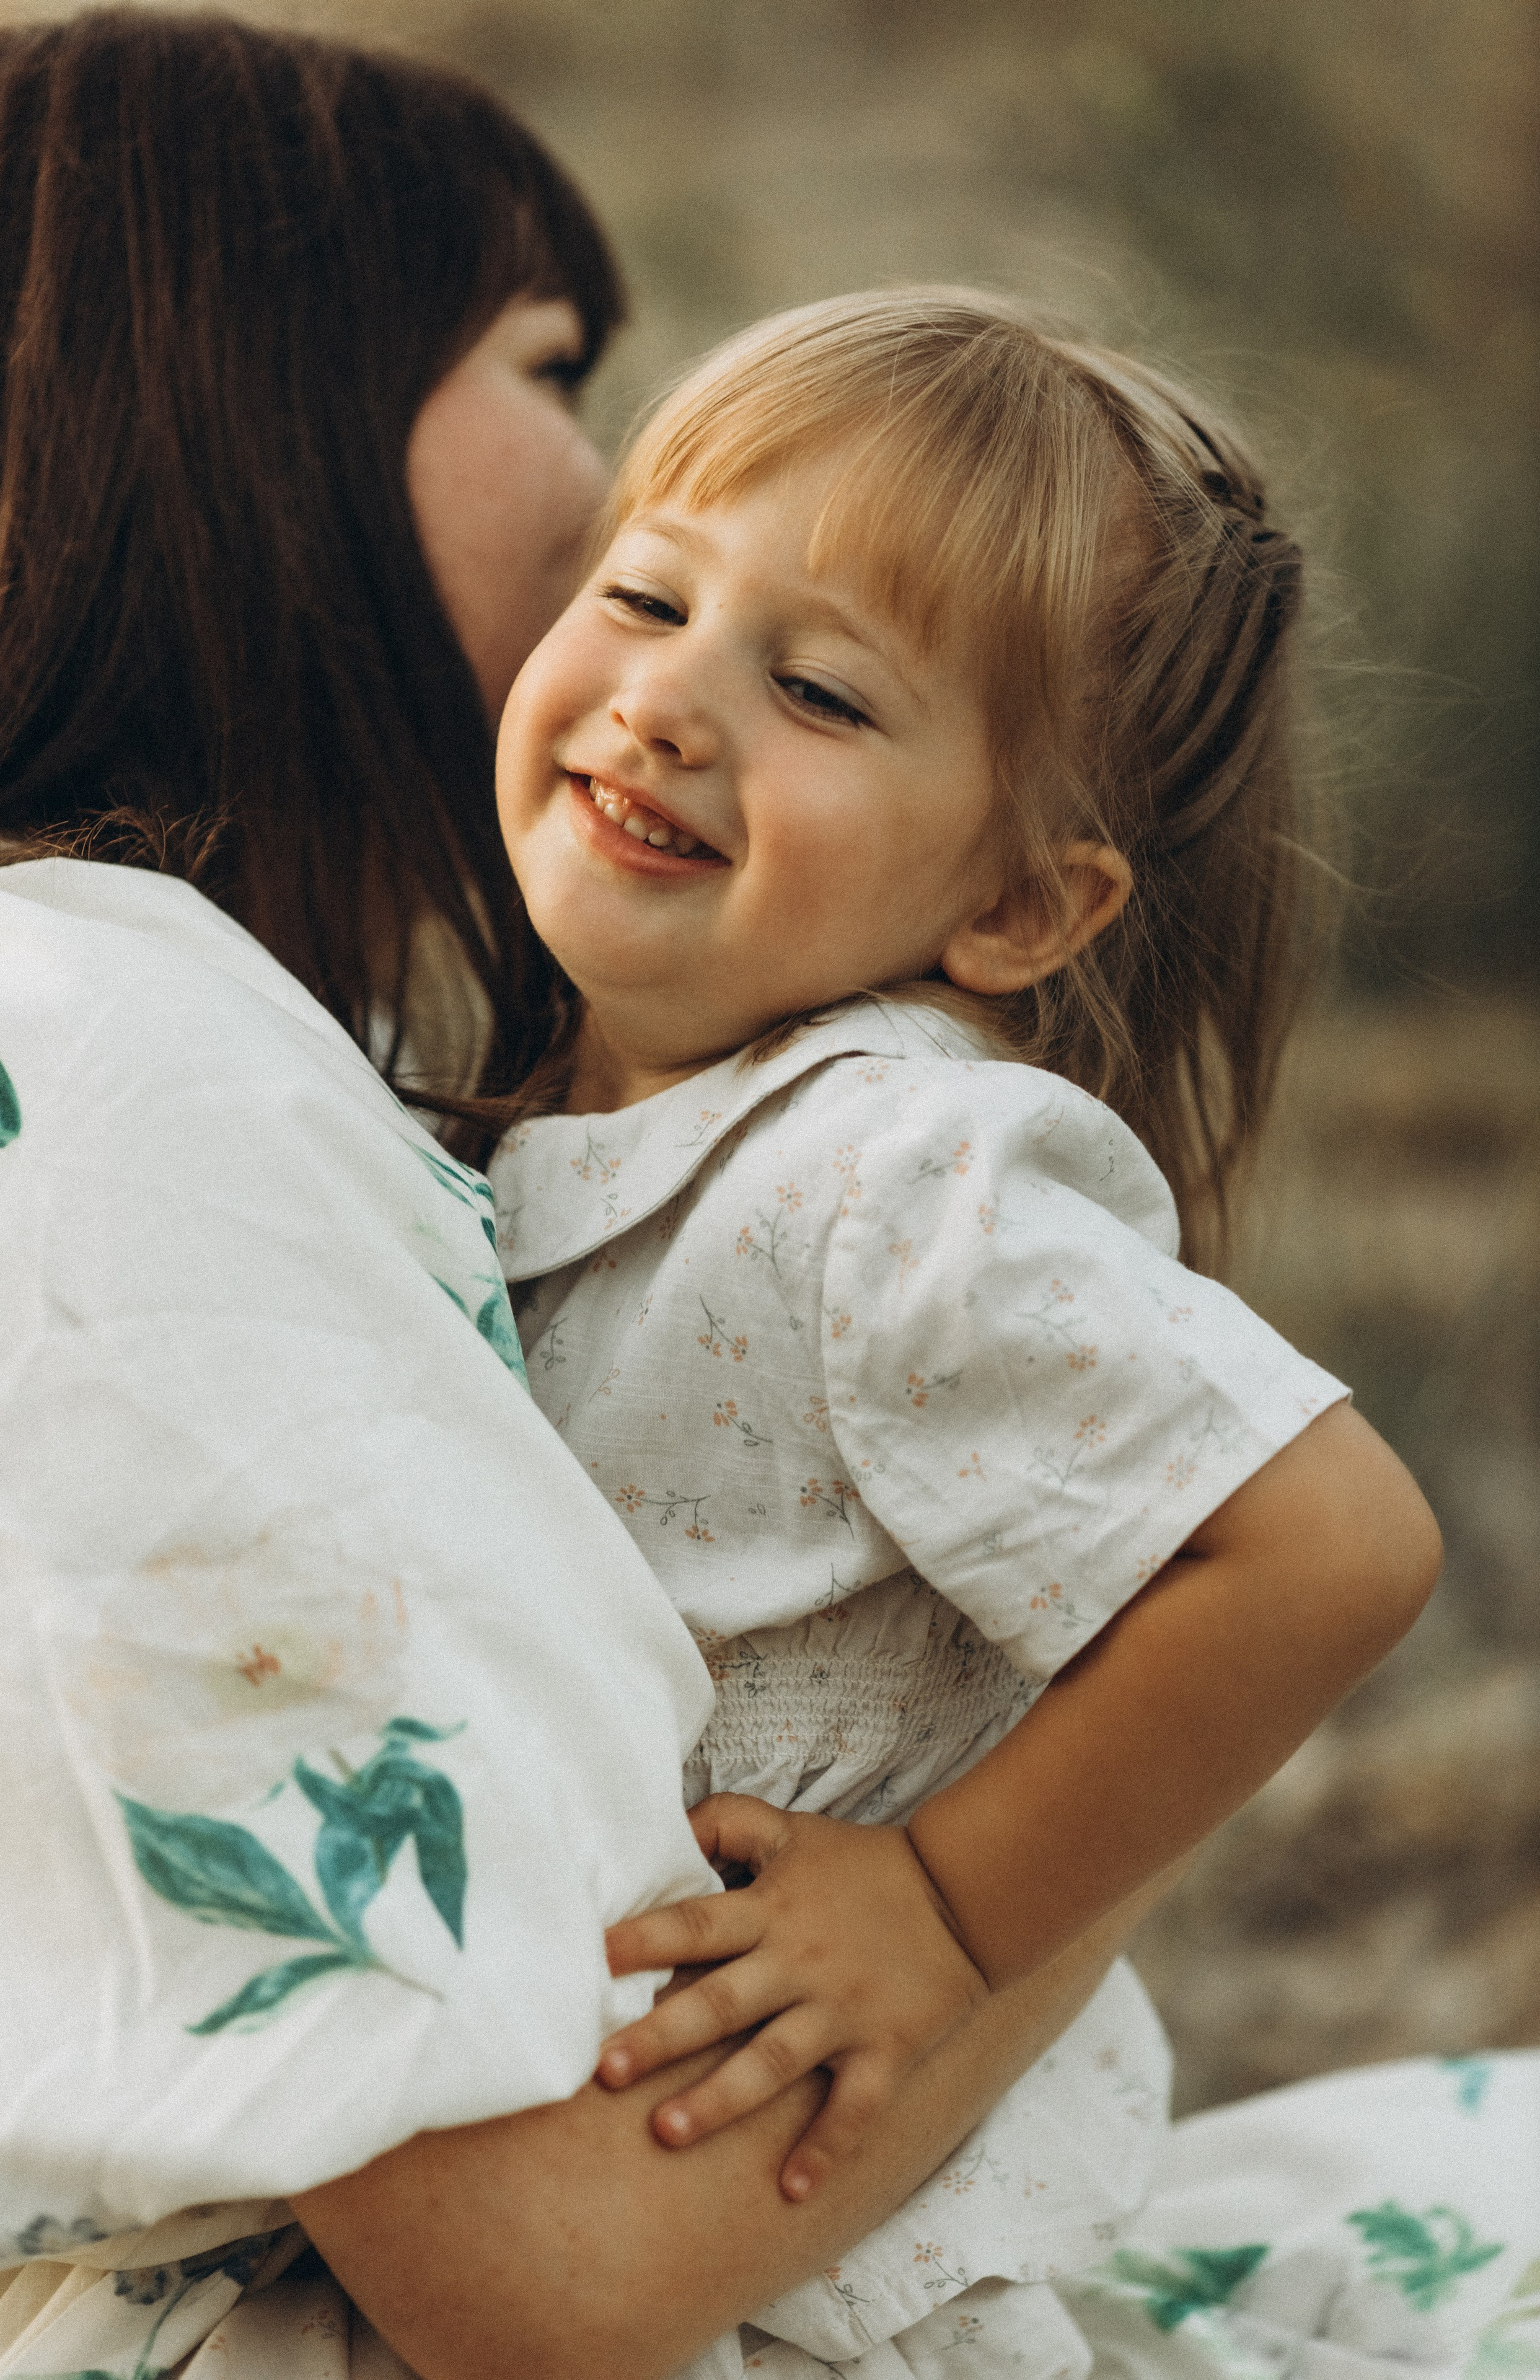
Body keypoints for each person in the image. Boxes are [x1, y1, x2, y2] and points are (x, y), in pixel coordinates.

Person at [0, 24, 1207, 2379]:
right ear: (258, 399)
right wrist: (1035, 1843)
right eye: (552, 365)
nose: (611, 468)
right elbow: (544, 2278)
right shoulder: (115, 1092)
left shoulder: (83, 1024)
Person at [472, 289, 1540, 2379]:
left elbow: (1334, 1543)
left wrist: (947, 1912)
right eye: (646, 593)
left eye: (820, 694)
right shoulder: (544, 1094)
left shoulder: (892, 1168)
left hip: (824, 2280)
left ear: (1022, 915)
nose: (672, 703)